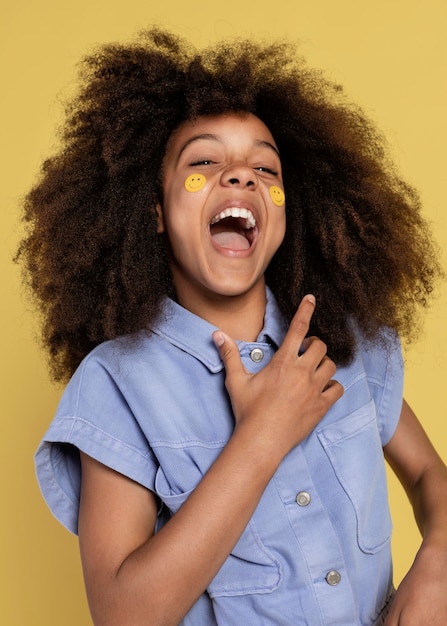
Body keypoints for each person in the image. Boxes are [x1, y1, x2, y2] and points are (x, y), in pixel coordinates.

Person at [18, 28, 447, 625]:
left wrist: (440, 562)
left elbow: (429, 474)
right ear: (156, 213)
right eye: (203, 162)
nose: (242, 177)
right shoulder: (117, 385)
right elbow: (124, 615)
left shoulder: (346, 340)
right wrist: (262, 436)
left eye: (264, 169)